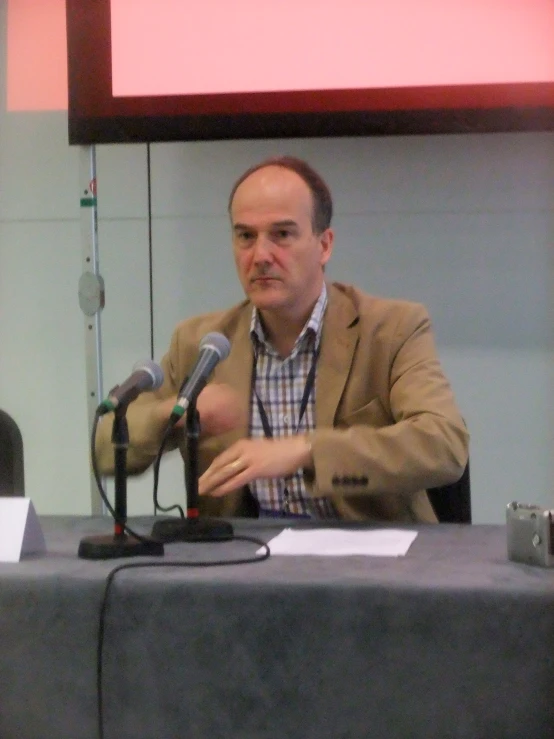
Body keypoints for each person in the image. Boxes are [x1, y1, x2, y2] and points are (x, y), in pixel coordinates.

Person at [96, 156, 469, 522]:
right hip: (244, 564)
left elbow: (444, 444)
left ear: (324, 245)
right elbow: (103, 450)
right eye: (245, 236)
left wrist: (306, 450)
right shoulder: (203, 344)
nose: (260, 256)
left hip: (367, 564)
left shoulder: (391, 330)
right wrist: (172, 414)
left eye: (282, 235)